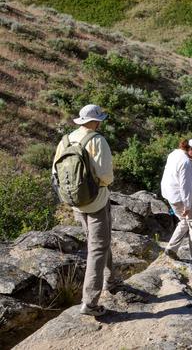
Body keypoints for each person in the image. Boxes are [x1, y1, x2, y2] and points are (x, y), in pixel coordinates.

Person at [52, 104, 117, 317]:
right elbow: (106, 176)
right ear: (97, 121)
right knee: (98, 248)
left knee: (98, 241)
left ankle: (111, 279)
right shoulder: (97, 141)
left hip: (75, 201)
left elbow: (55, 171)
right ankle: (89, 303)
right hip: (97, 200)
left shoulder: (66, 140)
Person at [161, 139, 192, 261]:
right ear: (191, 149)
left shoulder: (174, 154)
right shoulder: (186, 162)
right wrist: (187, 205)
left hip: (170, 194)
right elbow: (185, 186)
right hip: (181, 196)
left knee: (183, 221)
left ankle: (171, 248)